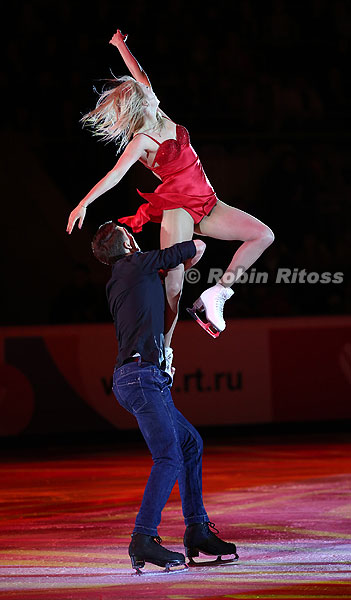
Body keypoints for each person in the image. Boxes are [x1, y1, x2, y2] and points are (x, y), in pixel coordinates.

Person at [67, 29, 274, 359]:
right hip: (179, 207)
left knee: (263, 235)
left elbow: (140, 74)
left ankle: (218, 293)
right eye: (145, 96)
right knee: (175, 285)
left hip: (207, 201)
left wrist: (121, 45)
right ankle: (164, 350)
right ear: (139, 108)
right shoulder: (141, 141)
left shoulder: (156, 106)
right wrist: (83, 203)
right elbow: (115, 175)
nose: (152, 94)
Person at [91, 221, 238, 573]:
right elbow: (194, 249)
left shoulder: (122, 276)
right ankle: (143, 537)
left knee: (189, 445)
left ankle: (197, 530)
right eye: (130, 233)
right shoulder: (134, 264)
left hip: (138, 377)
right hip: (141, 378)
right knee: (169, 456)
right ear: (127, 242)